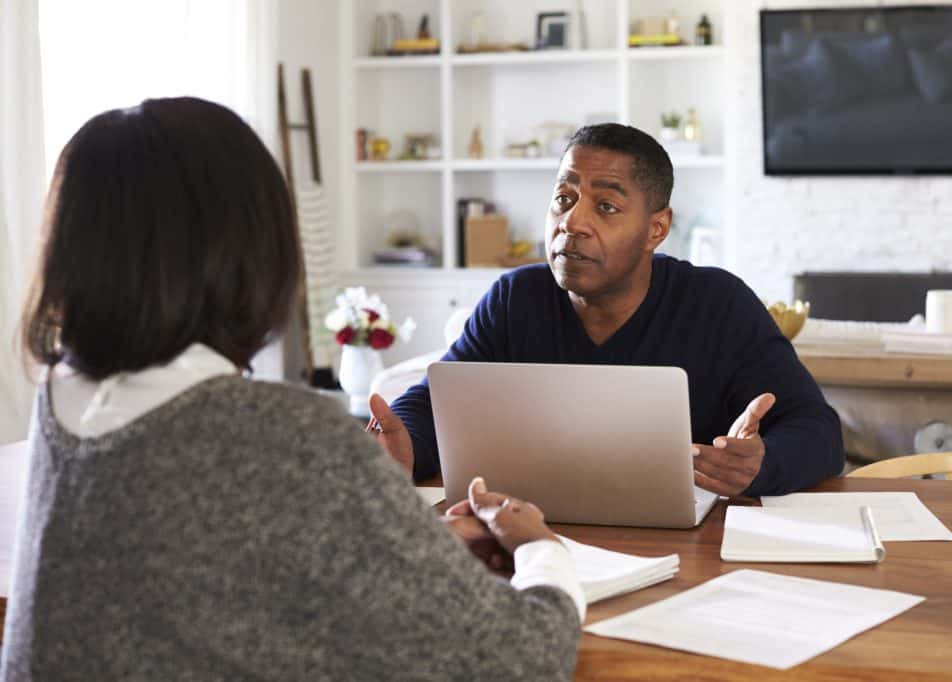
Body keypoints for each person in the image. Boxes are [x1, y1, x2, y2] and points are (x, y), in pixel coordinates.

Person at [2, 97, 585, 681]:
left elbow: (186, 580)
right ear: (254, 245)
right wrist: (538, 547)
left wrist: (404, 547)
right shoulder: (284, 431)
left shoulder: (64, 401)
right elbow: (521, 660)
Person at [373, 123, 845, 497]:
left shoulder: (717, 303)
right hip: (540, 539)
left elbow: (818, 432)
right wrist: (404, 443)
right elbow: (437, 402)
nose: (572, 222)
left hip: (689, 552)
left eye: (606, 206)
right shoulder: (516, 299)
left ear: (656, 229)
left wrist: (761, 464)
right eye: (564, 199)